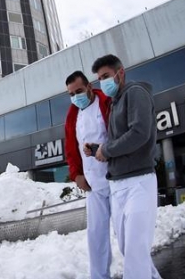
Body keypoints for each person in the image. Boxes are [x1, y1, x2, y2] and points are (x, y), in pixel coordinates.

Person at [88, 54, 161, 279]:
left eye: (106, 76)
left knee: (136, 253)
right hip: (118, 185)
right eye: (99, 79)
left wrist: (106, 150)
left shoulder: (135, 93)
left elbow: (139, 133)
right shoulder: (115, 103)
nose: (103, 82)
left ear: (121, 73)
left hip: (139, 182)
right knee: (129, 250)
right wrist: (98, 148)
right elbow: (118, 142)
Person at [64, 70, 113, 279]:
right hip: (93, 186)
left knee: (128, 234)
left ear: (90, 87)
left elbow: (117, 134)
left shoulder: (106, 102)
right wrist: (76, 175)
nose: (76, 97)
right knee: (96, 238)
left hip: (116, 180)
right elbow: (70, 148)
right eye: (71, 94)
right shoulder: (73, 115)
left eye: (79, 91)